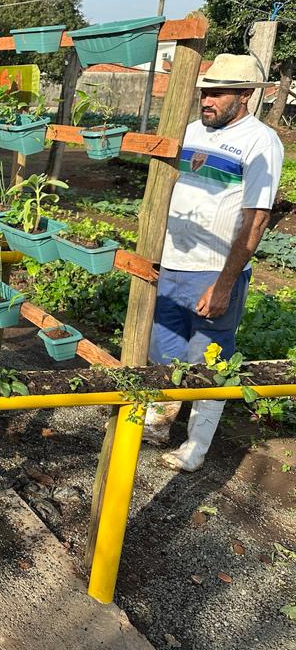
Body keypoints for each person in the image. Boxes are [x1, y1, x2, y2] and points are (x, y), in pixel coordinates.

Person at [144, 54, 283, 472]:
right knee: (163, 351)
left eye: (218, 93)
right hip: (171, 264)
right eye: (205, 91)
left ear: (245, 95)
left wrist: (224, 283)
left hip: (214, 269)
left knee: (210, 359)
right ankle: (157, 422)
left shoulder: (260, 142)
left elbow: (256, 218)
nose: (207, 100)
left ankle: (196, 447)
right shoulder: (189, 131)